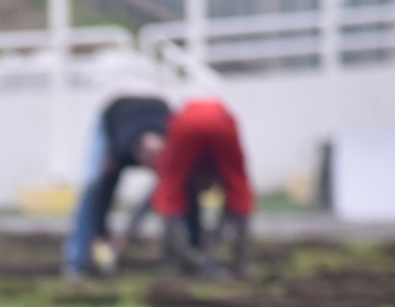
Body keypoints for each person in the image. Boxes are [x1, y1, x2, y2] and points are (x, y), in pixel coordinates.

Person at [63, 94, 170, 280]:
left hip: (160, 110)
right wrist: (101, 233)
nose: (150, 167)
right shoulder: (118, 148)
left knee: (171, 188)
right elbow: (103, 193)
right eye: (149, 161)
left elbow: (164, 192)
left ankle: (176, 260)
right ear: (138, 153)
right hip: (113, 115)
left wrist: (129, 230)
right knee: (92, 185)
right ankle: (76, 263)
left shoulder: (171, 140)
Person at [151, 97, 254, 278]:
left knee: (170, 186)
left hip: (185, 123)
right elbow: (233, 181)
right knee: (239, 186)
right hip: (223, 122)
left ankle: (181, 258)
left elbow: (172, 182)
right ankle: (241, 263)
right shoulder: (214, 159)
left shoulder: (192, 157)